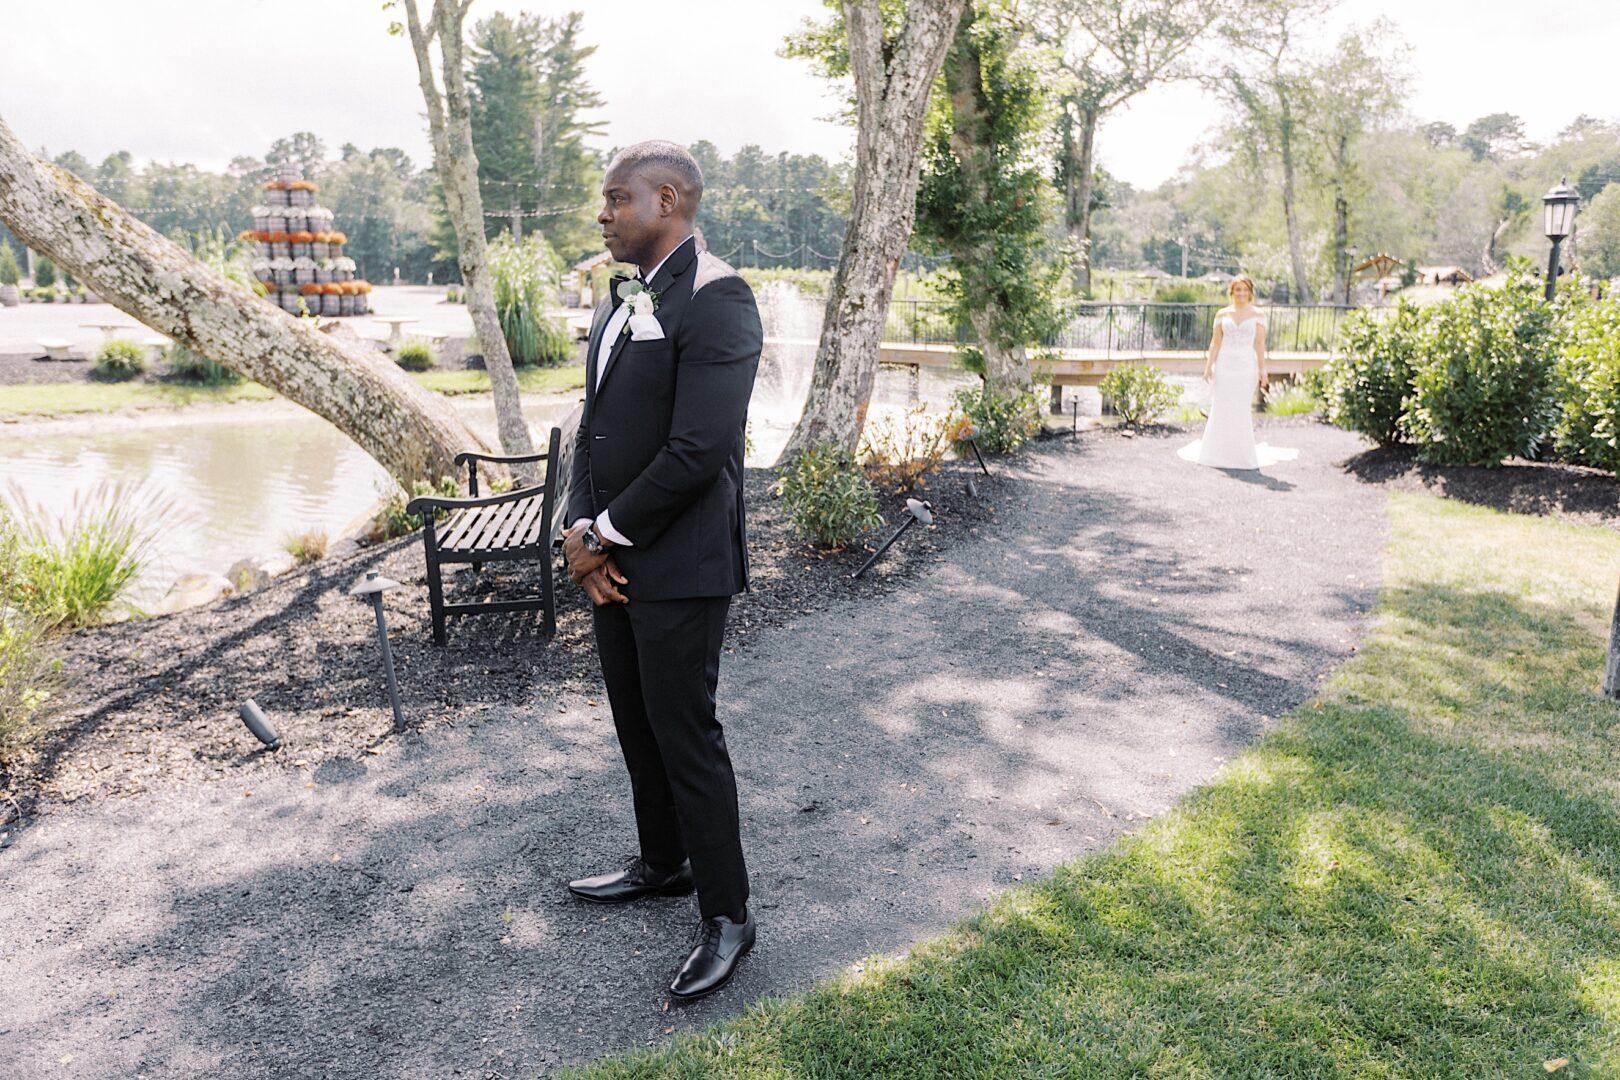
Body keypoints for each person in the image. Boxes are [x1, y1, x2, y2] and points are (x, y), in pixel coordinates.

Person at [560, 140, 762, 1001]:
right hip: (611, 558)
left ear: (667, 200)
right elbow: (594, 422)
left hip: (680, 564)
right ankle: (663, 863)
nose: (603, 215)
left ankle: (728, 916)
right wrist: (578, 531)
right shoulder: (621, 300)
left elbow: (698, 449)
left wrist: (604, 531)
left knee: (687, 737)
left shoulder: (719, 298)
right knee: (637, 726)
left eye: (616, 200)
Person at [1192, 275, 1268, 470]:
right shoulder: (1222, 314)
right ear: (1232, 292)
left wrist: (1262, 370)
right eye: (1237, 289)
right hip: (1225, 364)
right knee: (1221, 406)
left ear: (1250, 292)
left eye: (1245, 290)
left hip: (1245, 365)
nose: (1241, 293)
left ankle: (1241, 456)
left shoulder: (1258, 314)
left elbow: (1259, 344)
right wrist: (1209, 366)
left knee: (1241, 408)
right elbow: (1215, 342)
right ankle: (1216, 453)